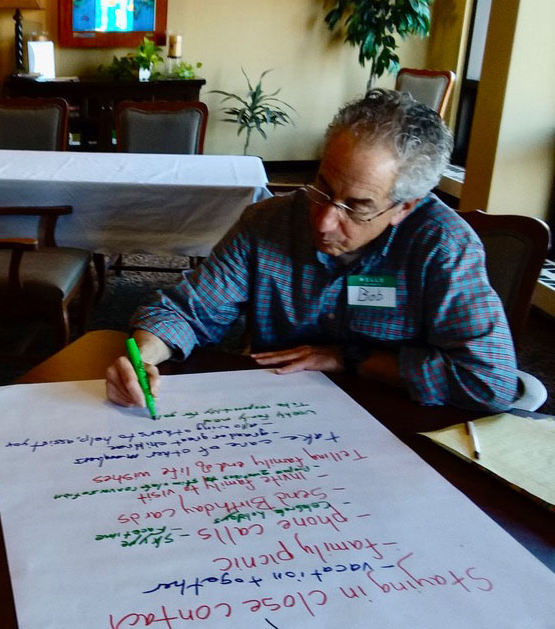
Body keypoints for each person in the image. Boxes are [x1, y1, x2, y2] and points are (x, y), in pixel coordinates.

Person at [107, 89, 518, 413]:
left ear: (405, 207)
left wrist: (351, 359)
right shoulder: (267, 223)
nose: (321, 221)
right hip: (274, 420)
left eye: (356, 208)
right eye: (322, 187)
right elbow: (182, 312)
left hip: (391, 427)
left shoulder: (443, 248)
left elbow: (488, 381)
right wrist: (144, 357)